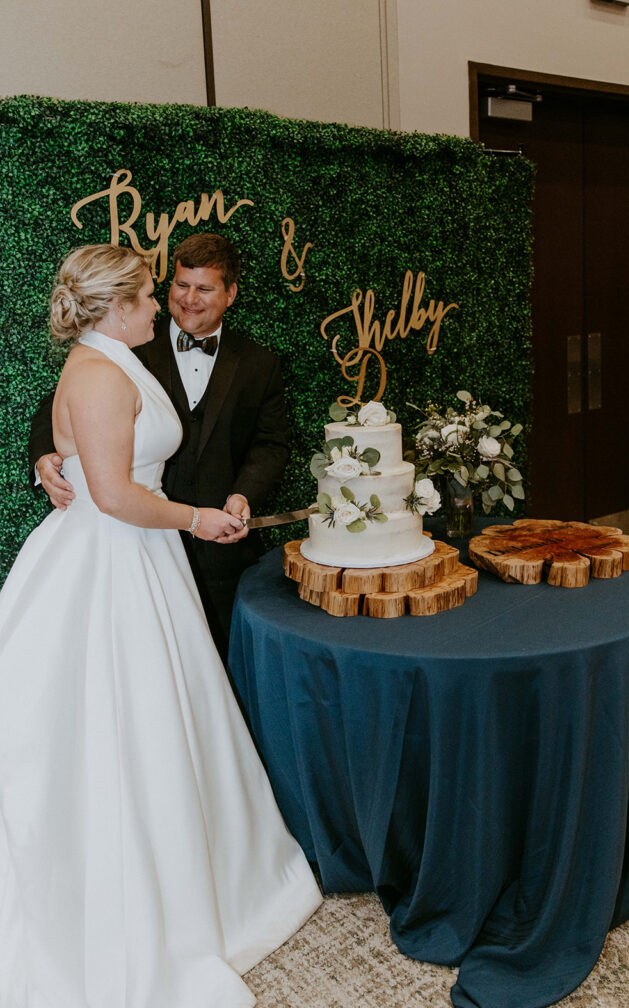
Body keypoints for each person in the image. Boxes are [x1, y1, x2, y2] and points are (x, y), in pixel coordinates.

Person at [0, 244, 322, 1007]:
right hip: (114, 561)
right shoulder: (103, 370)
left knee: (158, 717)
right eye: (149, 295)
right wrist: (195, 517)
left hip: (137, 558)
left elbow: (90, 454)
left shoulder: (106, 356)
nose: (161, 306)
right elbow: (112, 493)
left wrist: (62, 458)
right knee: (121, 721)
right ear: (115, 307)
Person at [30, 233, 289, 659]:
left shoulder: (259, 363)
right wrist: (48, 458)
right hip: (124, 541)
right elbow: (60, 408)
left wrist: (240, 496)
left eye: (204, 289)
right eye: (173, 288)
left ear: (230, 294)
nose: (184, 300)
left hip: (204, 548)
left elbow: (270, 443)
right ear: (120, 305)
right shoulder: (121, 350)